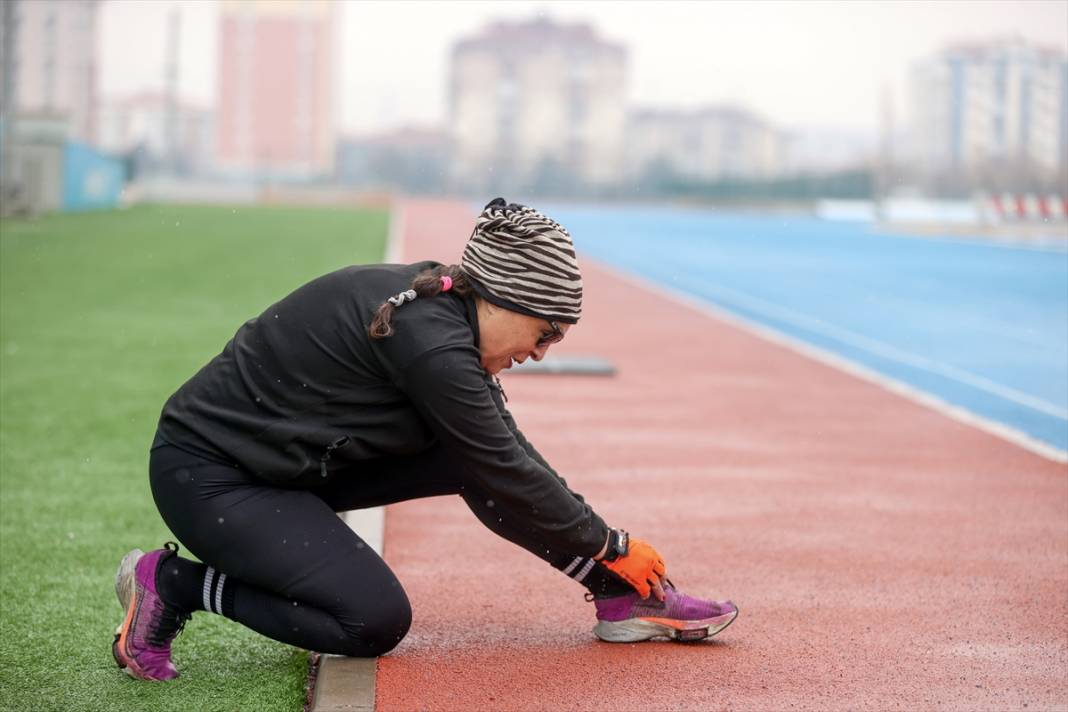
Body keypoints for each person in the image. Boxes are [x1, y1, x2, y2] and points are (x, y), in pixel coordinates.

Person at [112, 198, 738, 682]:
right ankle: (174, 585)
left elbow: (506, 457)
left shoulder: (448, 321)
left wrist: (607, 554)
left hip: (291, 467)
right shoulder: (432, 342)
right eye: (544, 334)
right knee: (373, 621)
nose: (540, 354)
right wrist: (611, 540)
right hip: (211, 477)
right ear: (503, 299)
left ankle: (619, 598)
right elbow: (504, 465)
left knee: (468, 458)